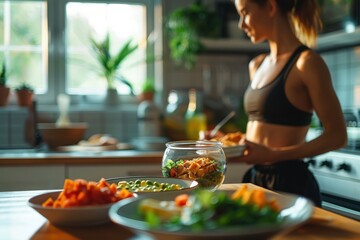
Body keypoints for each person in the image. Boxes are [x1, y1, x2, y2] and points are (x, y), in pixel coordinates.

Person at [234, 0, 347, 207]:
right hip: (254, 180)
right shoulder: (257, 64)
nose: (241, 24)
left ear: (270, 7)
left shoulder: (307, 63)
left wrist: (273, 154)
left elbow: (338, 136)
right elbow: (263, 132)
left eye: (245, 13)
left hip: (290, 184)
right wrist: (225, 142)